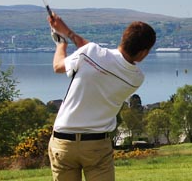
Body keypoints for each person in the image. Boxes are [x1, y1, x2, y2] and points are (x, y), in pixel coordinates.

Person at [47, 13, 156, 181]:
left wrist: (61, 43)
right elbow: (97, 55)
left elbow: (58, 66)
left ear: (123, 38)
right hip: (96, 145)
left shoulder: (90, 52)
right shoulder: (136, 78)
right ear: (143, 53)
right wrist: (68, 32)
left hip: (63, 141)